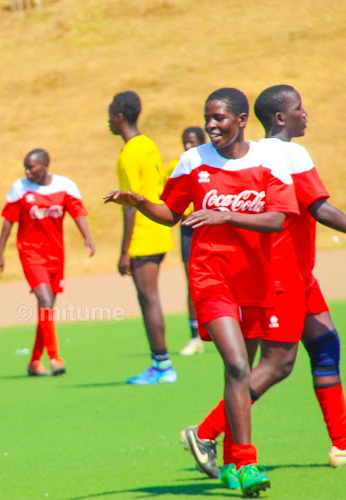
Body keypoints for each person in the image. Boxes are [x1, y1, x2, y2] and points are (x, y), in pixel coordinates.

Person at [104, 87, 300, 496]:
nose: (211, 125)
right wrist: (140, 202)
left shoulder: (269, 161)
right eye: (207, 118)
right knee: (236, 366)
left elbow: (279, 219)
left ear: (242, 119)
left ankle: (229, 460)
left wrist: (226, 214)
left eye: (220, 118)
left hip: (255, 280)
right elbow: (172, 214)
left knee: (242, 371)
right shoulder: (193, 162)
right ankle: (246, 462)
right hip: (211, 278)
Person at [181, 85, 346, 475]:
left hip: (300, 273)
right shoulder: (287, 154)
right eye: (299, 108)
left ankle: (341, 444)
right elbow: (321, 210)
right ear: (280, 117)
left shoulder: (259, 151)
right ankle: (207, 433)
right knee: (277, 363)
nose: (306, 113)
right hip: (281, 275)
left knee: (325, 345)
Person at [0, 148, 95, 376]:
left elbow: (77, 212)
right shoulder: (19, 189)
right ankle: (55, 357)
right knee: (45, 299)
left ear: (45, 165)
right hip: (30, 253)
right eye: (26, 167)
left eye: (32, 167)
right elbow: (8, 223)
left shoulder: (65, 186)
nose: (28, 171)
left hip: (56, 255)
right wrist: (0, 254)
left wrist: (87, 237)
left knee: (46, 308)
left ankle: (34, 361)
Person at [108, 90, 175, 384]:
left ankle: (162, 366)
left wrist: (124, 251)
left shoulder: (128, 154)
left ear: (119, 117)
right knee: (151, 298)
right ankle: (161, 364)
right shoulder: (148, 143)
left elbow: (130, 205)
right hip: (160, 230)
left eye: (110, 115)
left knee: (148, 299)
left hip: (144, 236)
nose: (108, 121)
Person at [164, 127, 207, 356]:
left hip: (211, 226)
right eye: (185, 142)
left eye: (192, 141)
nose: (188, 146)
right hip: (188, 228)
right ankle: (194, 337)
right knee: (192, 280)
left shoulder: (212, 163)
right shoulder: (176, 166)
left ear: (203, 141)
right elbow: (169, 200)